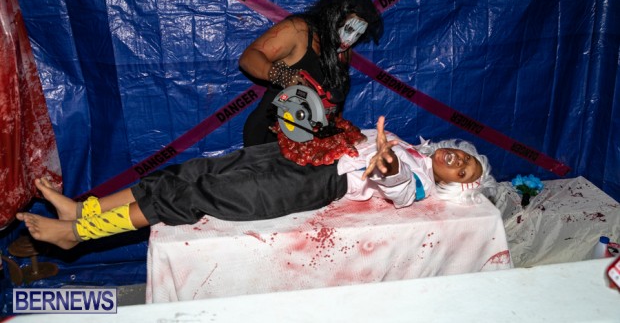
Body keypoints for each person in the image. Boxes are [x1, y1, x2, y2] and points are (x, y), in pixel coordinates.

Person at [17, 116, 495, 251]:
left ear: (457, 187)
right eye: (464, 157)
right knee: (191, 172)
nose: (459, 162)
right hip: (306, 154)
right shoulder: (413, 145)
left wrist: (389, 169)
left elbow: (400, 191)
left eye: (464, 172)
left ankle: (80, 234)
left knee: (194, 196)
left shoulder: (418, 179)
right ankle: (83, 209)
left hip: (313, 182)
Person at [239, 0, 383, 146]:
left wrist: (341, 132)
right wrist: (282, 75)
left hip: (311, 142)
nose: (350, 39)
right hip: (271, 137)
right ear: (334, 16)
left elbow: (335, 105)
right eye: (349, 29)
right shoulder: (298, 31)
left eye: (358, 34)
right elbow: (248, 58)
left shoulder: (344, 53)